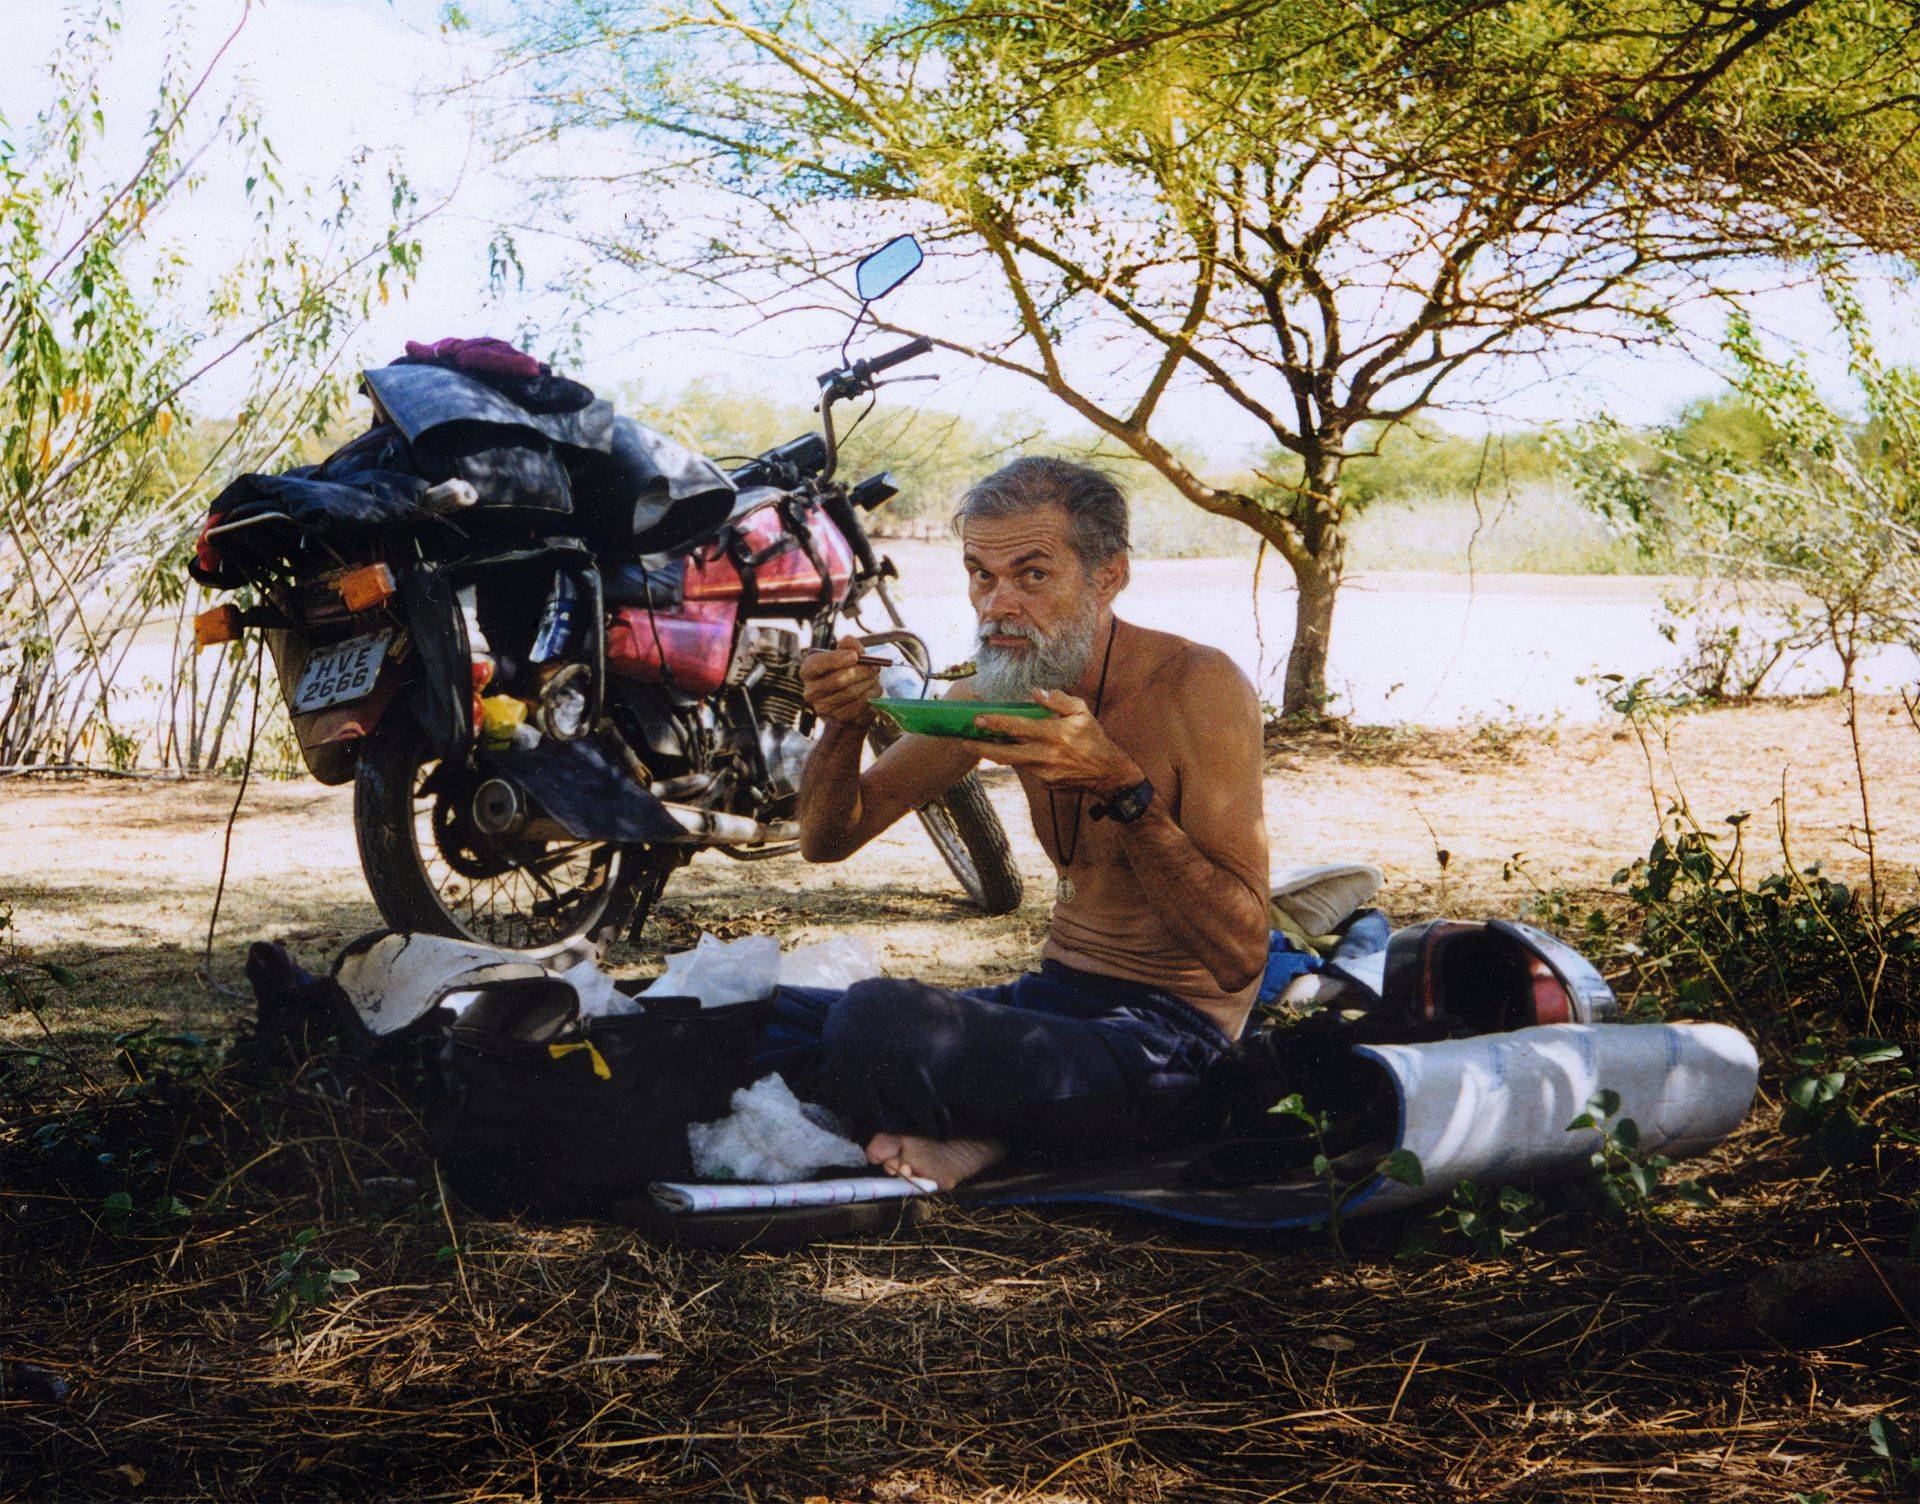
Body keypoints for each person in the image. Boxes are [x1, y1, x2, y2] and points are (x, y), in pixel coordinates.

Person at [761, 457, 1270, 1189]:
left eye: (1031, 575)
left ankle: (979, 1129)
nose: (997, 605)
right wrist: (843, 725)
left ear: (1108, 577)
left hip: (1169, 1041)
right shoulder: (997, 687)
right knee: (751, 1012)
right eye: (981, 575)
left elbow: (1241, 956)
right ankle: (979, 1124)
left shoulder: (1198, 686)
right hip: (1049, 1009)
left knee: (874, 1023)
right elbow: (828, 840)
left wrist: (1121, 786)